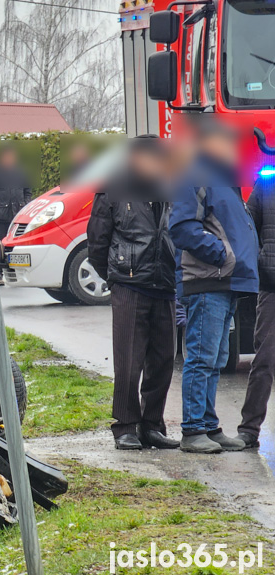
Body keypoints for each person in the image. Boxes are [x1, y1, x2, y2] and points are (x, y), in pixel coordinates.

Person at [170, 120, 259, 454]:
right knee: (202, 357)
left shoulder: (224, 179)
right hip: (209, 281)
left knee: (217, 358)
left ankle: (209, 425)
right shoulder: (194, 174)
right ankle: (193, 430)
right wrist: (224, 256)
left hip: (227, 282)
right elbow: (182, 228)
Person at [87, 137, 179, 450]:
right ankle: (125, 426)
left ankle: (152, 425)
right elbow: (97, 243)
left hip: (164, 284)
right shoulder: (112, 189)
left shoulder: (168, 187)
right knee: (129, 361)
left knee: (164, 358)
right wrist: (116, 277)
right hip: (129, 285)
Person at [237, 176, 275, 448]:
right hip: (272, 285)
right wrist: (260, 265)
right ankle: (249, 430)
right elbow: (247, 229)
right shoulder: (267, 182)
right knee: (264, 360)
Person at [0, 146, 31, 282]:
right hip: (0, 218)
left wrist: (25, 206)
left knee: (16, 247)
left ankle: (15, 273)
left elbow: (27, 191)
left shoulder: (21, 172)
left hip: (17, 218)